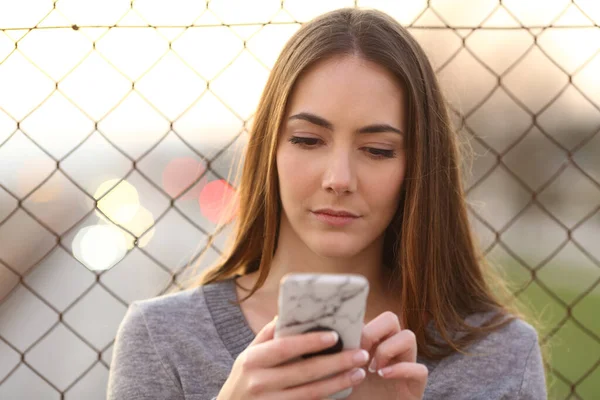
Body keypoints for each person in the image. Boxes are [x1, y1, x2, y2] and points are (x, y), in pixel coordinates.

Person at [106, 7, 547, 400]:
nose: (339, 179)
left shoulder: (502, 354)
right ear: (269, 150)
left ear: (419, 166)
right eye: (308, 140)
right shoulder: (163, 340)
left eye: (377, 149)